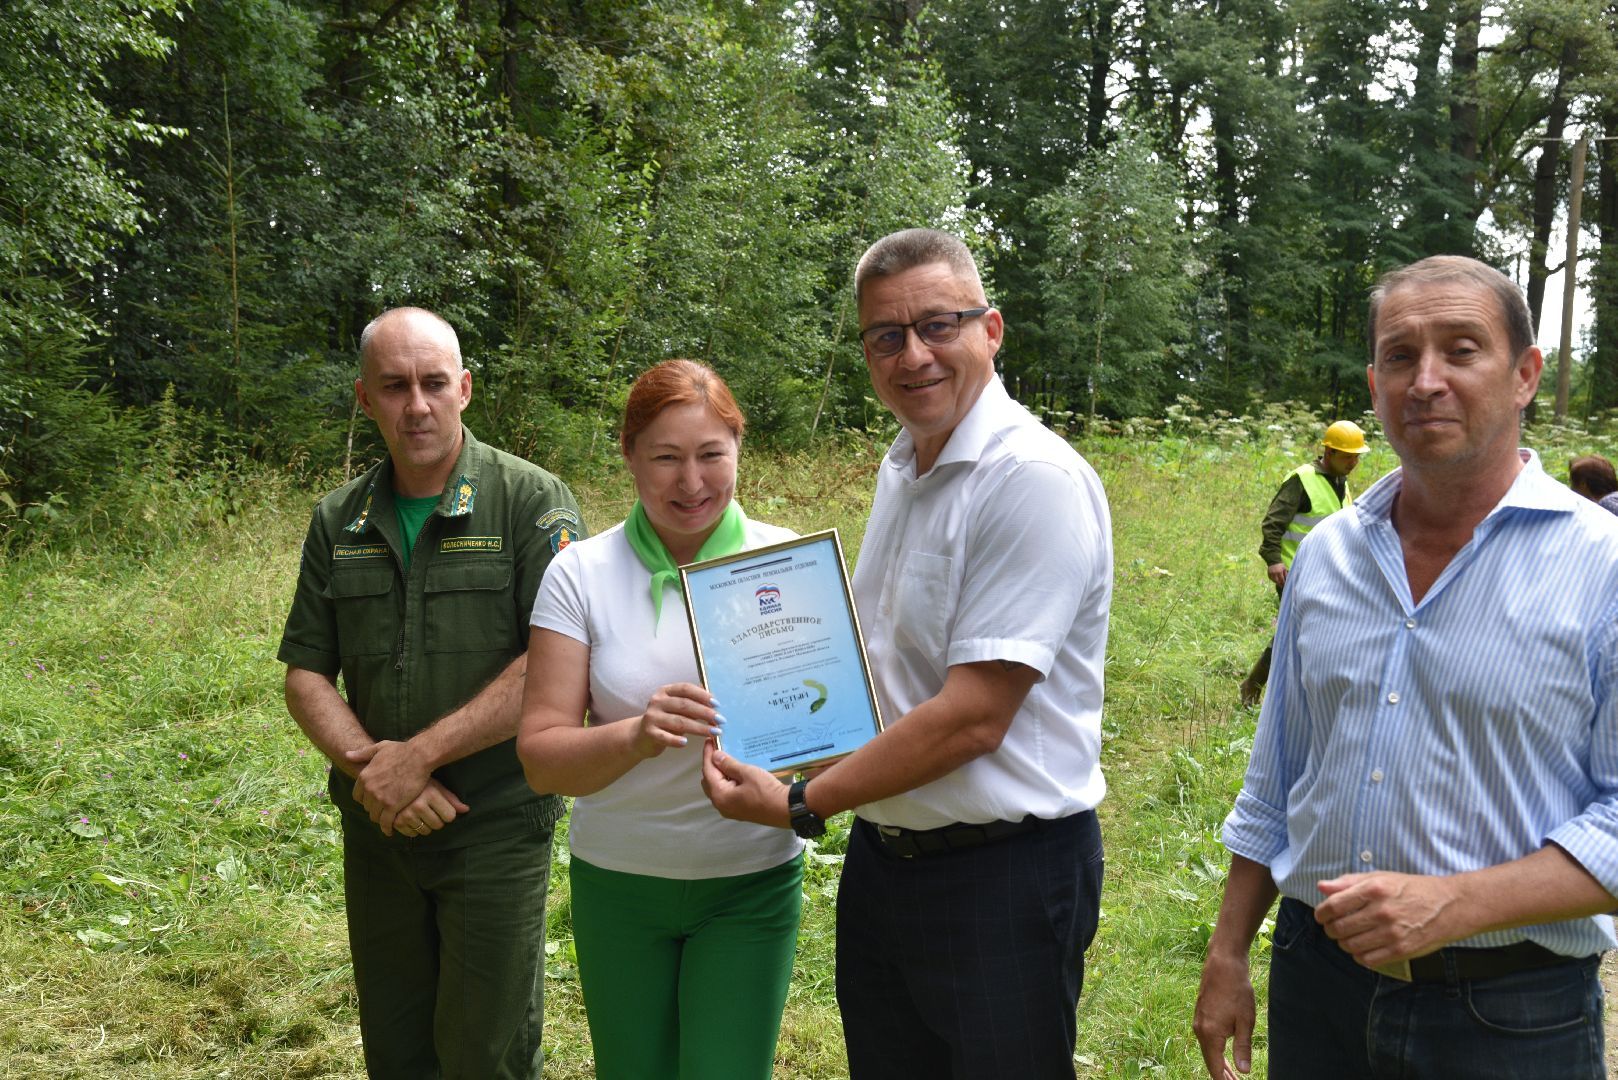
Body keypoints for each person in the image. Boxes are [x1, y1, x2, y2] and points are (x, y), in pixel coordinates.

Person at [1192, 255, 1618, 1080]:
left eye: (1461, 349)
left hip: (1511, 1013)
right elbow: (1279, 772)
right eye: (1399, 355)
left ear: (1525, 374)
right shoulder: (1327, 556)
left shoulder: (1603, 566)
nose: (1425, 380)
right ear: (1374, 380)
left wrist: (1450, 904)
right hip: (1318, 987)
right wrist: (1228, 950)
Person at [702, 228, 1113, 1079]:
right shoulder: (905, 465)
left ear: (990, 330)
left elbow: (972, 719)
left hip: (1003, 875)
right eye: (886, 336)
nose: (913, 355)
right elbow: (878, 669)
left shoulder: (1029, 478)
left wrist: (801, 803)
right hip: (889, 862)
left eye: (939, 325)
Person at [278, 307, 585, 1078]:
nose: (416, 404)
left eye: (433, 383)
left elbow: (553, 668)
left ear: (465, 389)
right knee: (396, 1042)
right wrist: (371, 771)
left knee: (487, 1050)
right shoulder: (339, 518)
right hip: (378, 828)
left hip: (495, 829)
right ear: (364, 398)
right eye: (394, 386)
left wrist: (419, 756)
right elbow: (306, 671)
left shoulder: (531, 502)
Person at [516, 360, 804, 1080]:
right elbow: (542, 757)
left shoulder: (788, 563)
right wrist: (637, 735)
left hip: (750, 880)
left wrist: (802, 763)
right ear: (628, 455)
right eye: (666, 458)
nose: (691, 482)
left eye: (712, 455)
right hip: (619, 882)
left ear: (739, 449)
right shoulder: (579, 573)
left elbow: (835, 743)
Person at [1238, 420, 1368, 705]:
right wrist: (1273, 561)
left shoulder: (1341, 485)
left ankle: (1300, 693)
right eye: (1348, 456)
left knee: (1312, 634)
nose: (1354, 462)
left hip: (1332, 575)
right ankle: (1255, 686)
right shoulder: (1302, 479)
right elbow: (1272, 524)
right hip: (1296, 574)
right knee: (1296, 634)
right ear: (1329, 452)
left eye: (1357, 456)